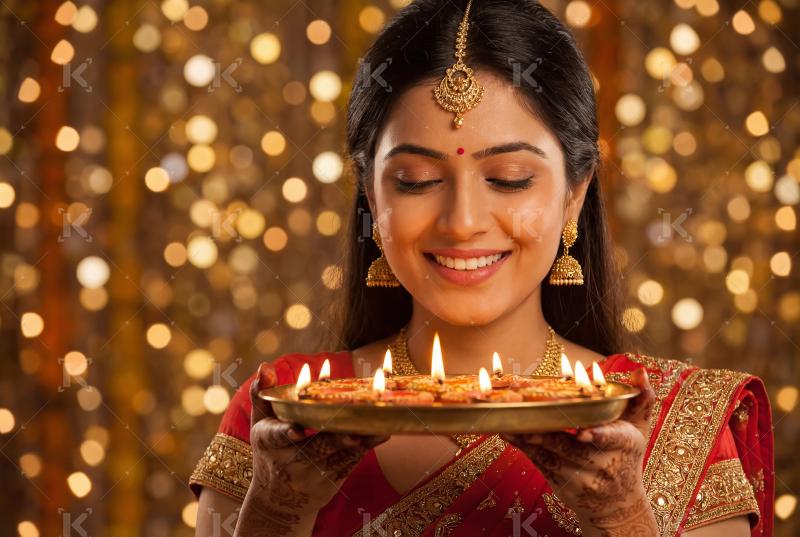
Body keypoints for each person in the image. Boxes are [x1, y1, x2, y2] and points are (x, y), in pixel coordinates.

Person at [189, 1, 774, 535]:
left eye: (510, 179)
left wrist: (622, 516)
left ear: (575, 193)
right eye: (416, 182)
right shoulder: (287, 415)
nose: (462, 222)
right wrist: (275, 511)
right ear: (370, 195)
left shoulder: (673, 425)